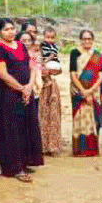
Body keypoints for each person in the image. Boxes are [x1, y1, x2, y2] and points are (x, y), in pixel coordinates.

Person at [0, 18, 44, 181]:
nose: (11, 32)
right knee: (12, 129)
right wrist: (21, 88)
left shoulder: (20, 45)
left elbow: (32, 66)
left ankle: (25, 161)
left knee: (26, 127)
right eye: (6, 29)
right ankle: (14, 167)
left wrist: (29, 86)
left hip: (26, 92)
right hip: (9, 95)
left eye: (12, 28)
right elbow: (3, 75)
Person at [69, 29, 102, 157]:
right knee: (79, 119)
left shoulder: (97, 55)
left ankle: (91, 149)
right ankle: (80, 150)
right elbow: (73, 74)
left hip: (93, 92)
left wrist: (90, 91)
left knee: (92, 119)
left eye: (89, 39)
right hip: (78, 91)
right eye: (84, 39)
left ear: (92, 40)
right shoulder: (74, 53)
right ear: (81, 40)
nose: (87, 41)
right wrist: (83, 91)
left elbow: (100, 76)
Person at [39, 26, 62, 155]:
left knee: (53, 116)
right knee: (41, 117)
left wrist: (49, 70)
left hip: (51, 87)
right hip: (37, 88)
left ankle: (52, 146)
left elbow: (59, 70)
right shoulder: (35, 51)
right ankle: (40, 147)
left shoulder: (50, 49)